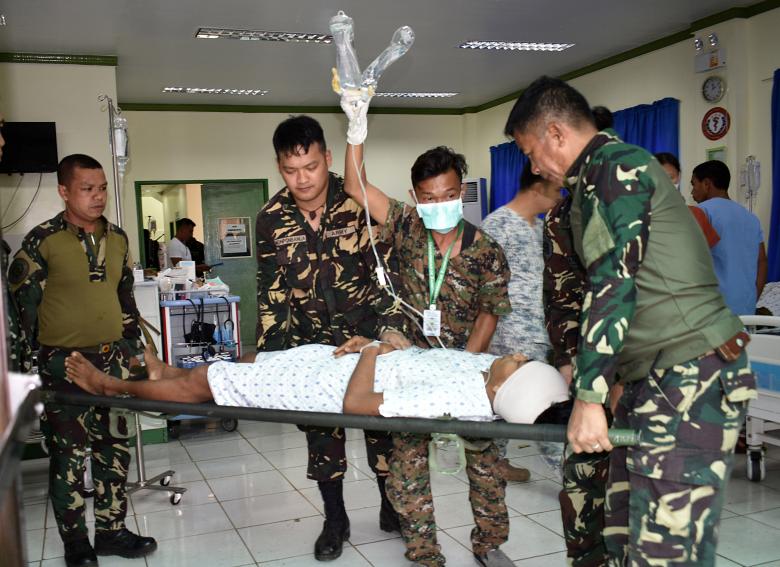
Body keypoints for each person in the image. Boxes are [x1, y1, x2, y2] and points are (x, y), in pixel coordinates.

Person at [505, 76, 756, 565]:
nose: (533, 166)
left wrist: (588, 396)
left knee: (664, 551)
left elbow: (612, 282)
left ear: (556, 133)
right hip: (654, 377)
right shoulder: (590, 183)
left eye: (531, 150)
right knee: (621, 534)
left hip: (691, 373)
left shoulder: (615, 169)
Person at [340, 92, 513, 566]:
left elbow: (489, 312)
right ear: (417, 197)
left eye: (451, 196)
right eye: (431, 198)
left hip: (466, 366)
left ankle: (489, 544)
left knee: (486, 464)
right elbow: (356, 185)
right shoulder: (406, 224)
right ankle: (423, 550)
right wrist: (357, 123)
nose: (441, 205)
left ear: (463, 191)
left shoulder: (486, 250)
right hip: (412, 365)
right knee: (407, 466)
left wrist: (461, 370)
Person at [255, 115, 407, 561]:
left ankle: (390, 508)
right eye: (290, 169)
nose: (302, 179)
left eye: (311, 166)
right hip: (311, 345)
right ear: (279, 167)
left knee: (383, 430)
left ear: (326, 157)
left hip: (368, 338)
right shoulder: (270, 218)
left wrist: (389, 330)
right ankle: (335, 518)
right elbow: (271, 292)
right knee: (323, 436)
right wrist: (273, 356)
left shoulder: (357, 203)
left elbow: (390, 273)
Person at [8, 154, 157, 567]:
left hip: (113, 364)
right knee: (69, 458)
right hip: (63, 367)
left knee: (114, 450)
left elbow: (124, 299)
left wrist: (133, 349)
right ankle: (76, 543)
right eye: (87, 189)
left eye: (103, 188)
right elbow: (23, 314)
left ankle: (111, 532)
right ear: (64, 191)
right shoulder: (43, 241)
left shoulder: (119, 238)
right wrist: (30, 372)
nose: (98, 197)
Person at [63, 338, 570, 427]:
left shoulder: (459, 398)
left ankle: (111, 388)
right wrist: (383, 342)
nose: (517, 354)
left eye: (519, 364)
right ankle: (164, 374)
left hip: (322, 388)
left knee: (205, 386)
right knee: (247, 359)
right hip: (334, 363)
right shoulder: (480, 372)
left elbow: (358, 404)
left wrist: (371, 351)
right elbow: (415, 357)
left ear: (508, 390)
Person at [481, 161, 561, 483]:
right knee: (540, 404)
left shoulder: (540, 228)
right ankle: (570, 476)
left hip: (539, 331)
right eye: (557, 191)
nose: (559, 199)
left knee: (511, 402)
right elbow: (481, 285)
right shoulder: (497, 225)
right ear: (539, 187)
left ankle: (495, 461)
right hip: (511, 334)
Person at [691, 160, 768, 314]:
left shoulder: (701, 212)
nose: (692, 192)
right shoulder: (751, 218)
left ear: (707, 184)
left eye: (694, 184)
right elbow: (762, 262)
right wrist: (751, 300)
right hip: (745, 313)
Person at [655, 152, 720, 248]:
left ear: (679, 177)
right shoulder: (639, 216)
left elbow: (708, 253)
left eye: (670, 177)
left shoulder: (696, 214)